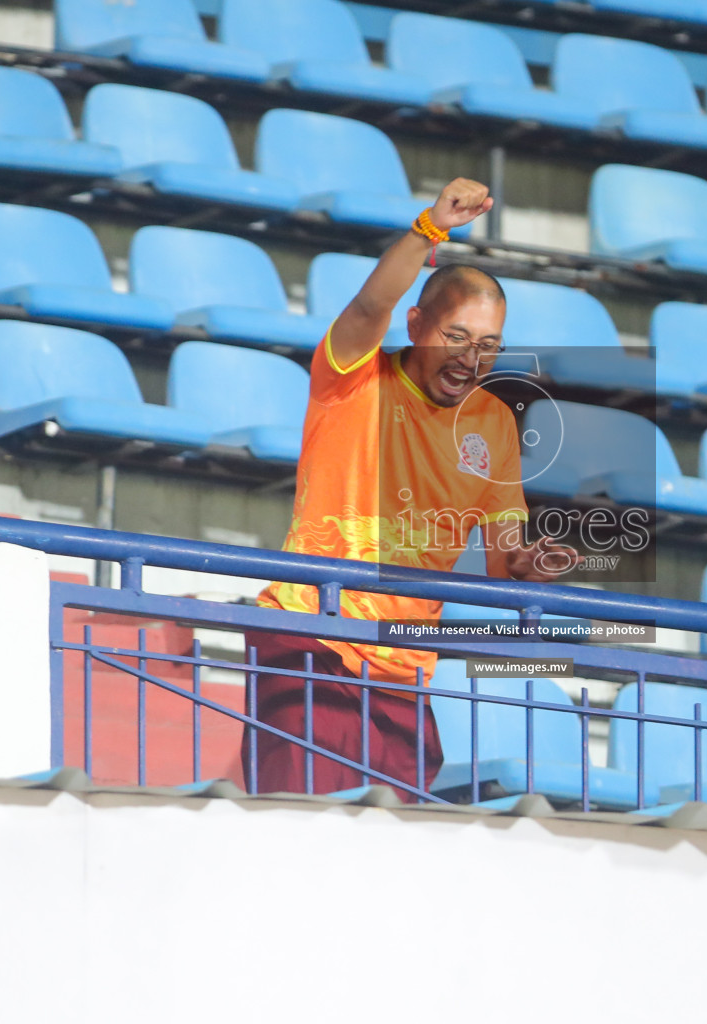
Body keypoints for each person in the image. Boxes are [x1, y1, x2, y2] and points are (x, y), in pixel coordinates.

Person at [240, 177, 574, 799]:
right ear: (416, 324)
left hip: (405, 665)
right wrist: (430, 228)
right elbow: (369, 307)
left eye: (489, 346)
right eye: (456, 337)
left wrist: (530, 564)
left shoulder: (495, 422)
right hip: (310, 635)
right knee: (293, 828)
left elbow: (504, 564)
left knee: (390, 851)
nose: (472, 360)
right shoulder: (356, 375)